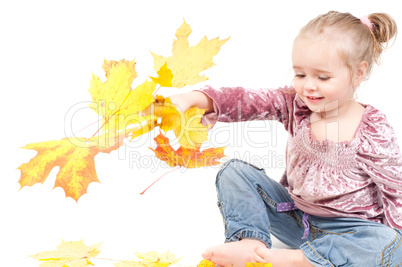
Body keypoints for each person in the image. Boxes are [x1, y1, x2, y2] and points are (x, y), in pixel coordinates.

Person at [169, 11, 401, 266]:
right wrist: (193, 99)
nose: (308, 86)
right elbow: (246, 100)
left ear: (358, 73)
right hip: (295, 219)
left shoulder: (371, 129)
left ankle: (298, 260)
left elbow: (396, 191)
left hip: (351, 232)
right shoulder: (295, 105)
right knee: (233, 172)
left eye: (322, 77)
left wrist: (394, 240)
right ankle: (251, 243)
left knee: (390, 242)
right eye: (300, 74)